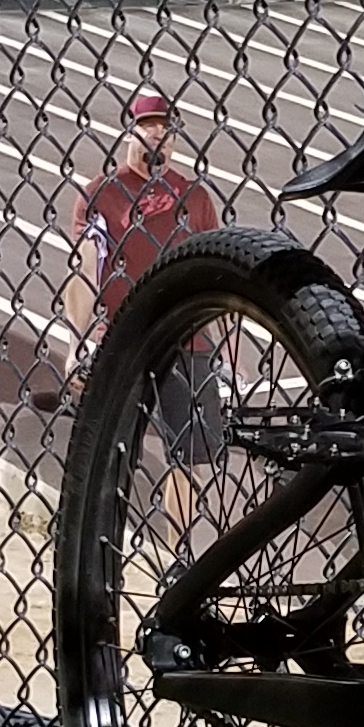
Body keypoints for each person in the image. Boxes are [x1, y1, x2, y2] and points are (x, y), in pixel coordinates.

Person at [65, 89, 227, 506]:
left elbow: (215, 271)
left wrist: (231, 352)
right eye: (149, 129)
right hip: (124, 337)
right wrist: (75, 344)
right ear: (130, 134)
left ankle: (179, 543)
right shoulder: (100, 194)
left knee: (189, 460)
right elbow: (85, 269)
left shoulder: (194, 197)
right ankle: (103, 532)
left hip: (187, 339)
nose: (159, 138)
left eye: (166, 131)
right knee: (112, 453)